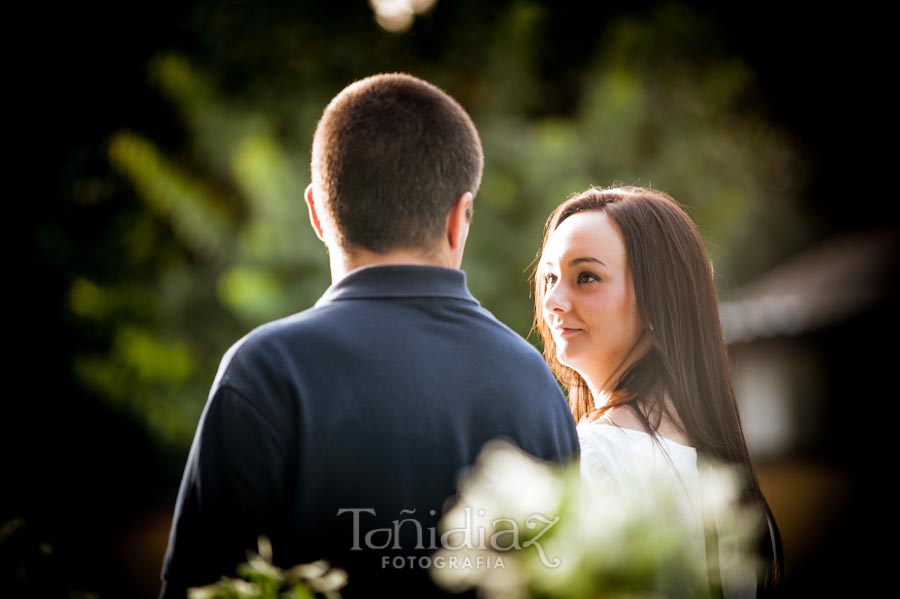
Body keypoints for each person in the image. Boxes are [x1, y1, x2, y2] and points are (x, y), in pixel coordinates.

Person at [159, 73, 579, 598]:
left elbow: (200, 589)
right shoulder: (534, 381)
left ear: (317, 213)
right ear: (460, 216)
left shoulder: (266, 371)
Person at [533, 186, 784, 598]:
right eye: (549, 278)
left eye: (587, 277)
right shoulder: (717, 467)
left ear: (657, 299)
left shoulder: (594, 454)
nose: (554, 301)